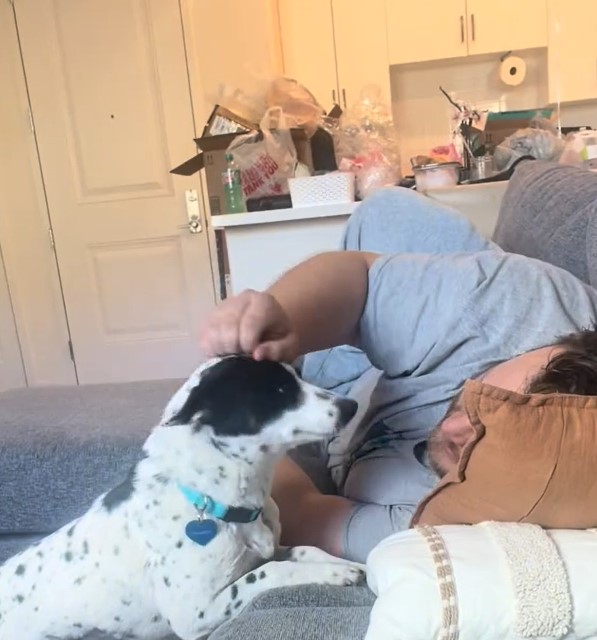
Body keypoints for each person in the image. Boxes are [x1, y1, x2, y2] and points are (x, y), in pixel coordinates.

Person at [199, 188, 597, 563]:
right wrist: (281, 317)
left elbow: (302, 512)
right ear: (549, 347)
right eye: (490, 404)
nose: (463, 430)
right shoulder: (509, 307)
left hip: (349, 429)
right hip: (419, 333)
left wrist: (243, 420)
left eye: (494, 450)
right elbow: (358, 280)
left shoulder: (454, 528)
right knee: (389, 212)